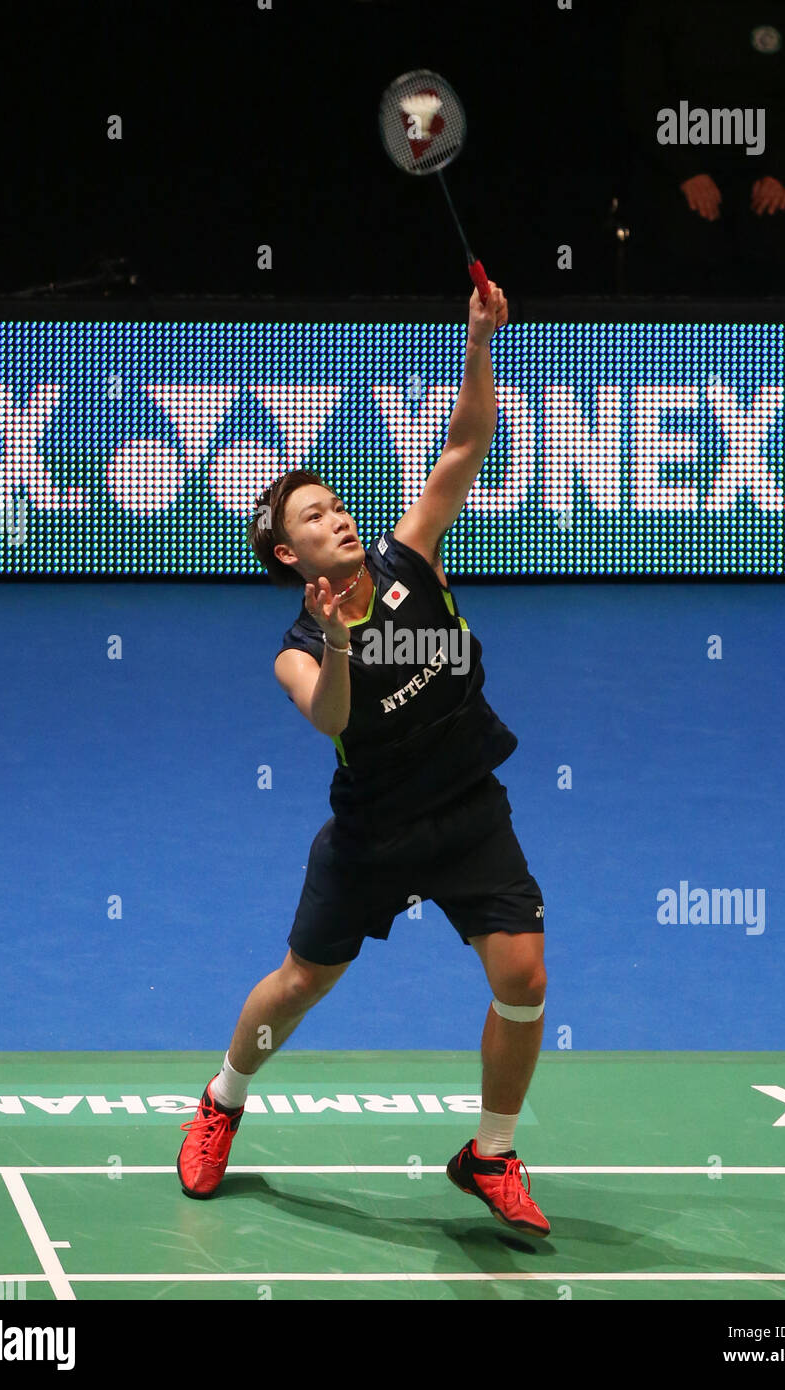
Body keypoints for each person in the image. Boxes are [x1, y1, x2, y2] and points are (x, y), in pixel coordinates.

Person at [176, 282, 551, 1237]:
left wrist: (478, 342)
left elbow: (466, 445)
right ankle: (223, 1098)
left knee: (524, 978)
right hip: (375, 831)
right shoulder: (297, 647)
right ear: (289, 556)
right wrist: (342, 639)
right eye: (314, 518)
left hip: (468, 804)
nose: (338, 519)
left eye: (338, 505)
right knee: (302, 982)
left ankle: (491, 1153)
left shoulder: (408, 557)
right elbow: (326, 714)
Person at [621, 0, 785, 295]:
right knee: (686, 242)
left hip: (767, 173)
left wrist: (780, 173)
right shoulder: (661, 13)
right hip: (683, 170)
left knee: (781, 243)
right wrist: (686, 171)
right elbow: (642, 100)